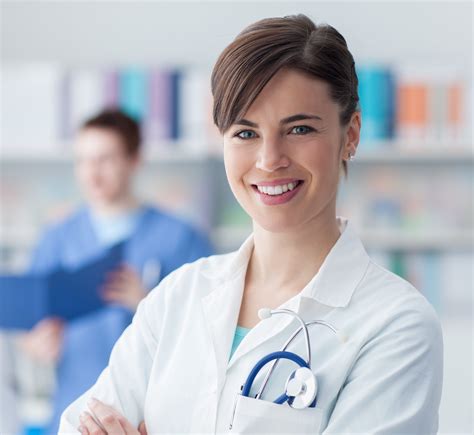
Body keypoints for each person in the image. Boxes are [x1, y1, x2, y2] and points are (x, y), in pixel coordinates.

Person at [59, 14, 443, 434]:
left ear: (350, 134)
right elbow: (80, 424)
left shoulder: (395, 324)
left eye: (299, 128)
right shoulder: (178, 297)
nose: (268, 159)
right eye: (245, 133)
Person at [20, 109, 213, 433]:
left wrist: (149, 302)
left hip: (152, 418)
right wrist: (38, 341)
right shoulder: (58, 237)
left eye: (105, 160)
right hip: (75, 408)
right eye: (83, 161)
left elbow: (210, 330)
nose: (92, 174)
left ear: (135, 160)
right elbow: (29, 324)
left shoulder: (180, 237)